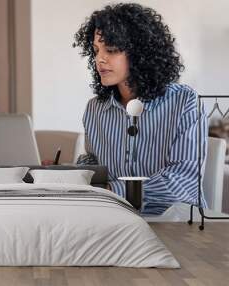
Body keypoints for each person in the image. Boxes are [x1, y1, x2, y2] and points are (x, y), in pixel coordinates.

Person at [73, 3, 208, 215]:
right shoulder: (95, 109)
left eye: (111, 50)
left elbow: (183, 184)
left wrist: (111, 191)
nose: (100, 59)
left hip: (174, 224)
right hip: (113, 217)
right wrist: (70, 175)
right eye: (96, 50)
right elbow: (93, 162)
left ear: (140, 52)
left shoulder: (184, 101)